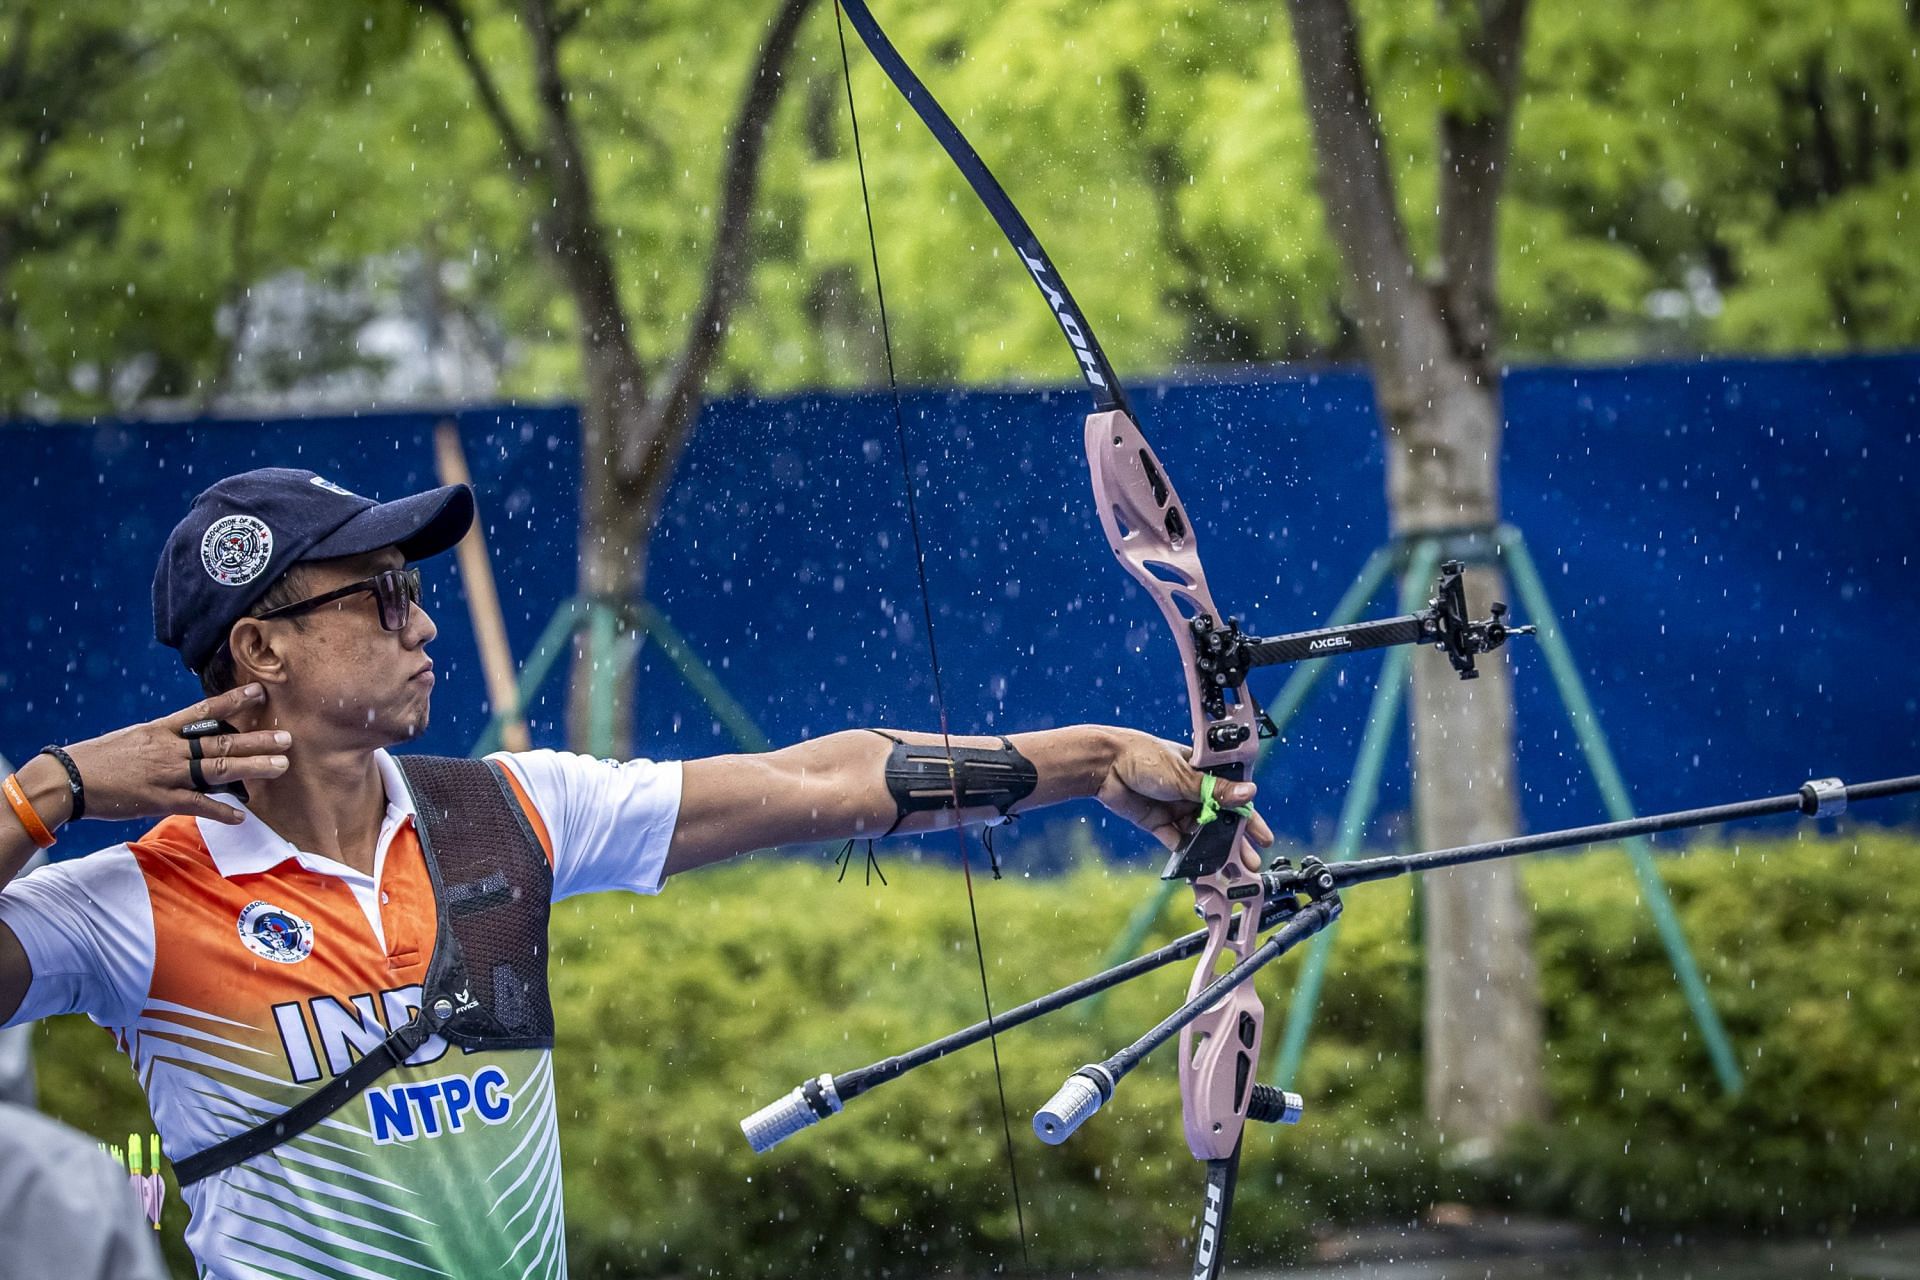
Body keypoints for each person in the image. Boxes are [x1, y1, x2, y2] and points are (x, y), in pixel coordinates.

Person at [0, 467, 1270, 1279]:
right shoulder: (140, 904)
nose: (423, 620)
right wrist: (49, 788)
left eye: (419, 591)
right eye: (382, 595)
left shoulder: (510, 811)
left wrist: (1095, 756)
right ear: (259, 644)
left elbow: (820, 781)